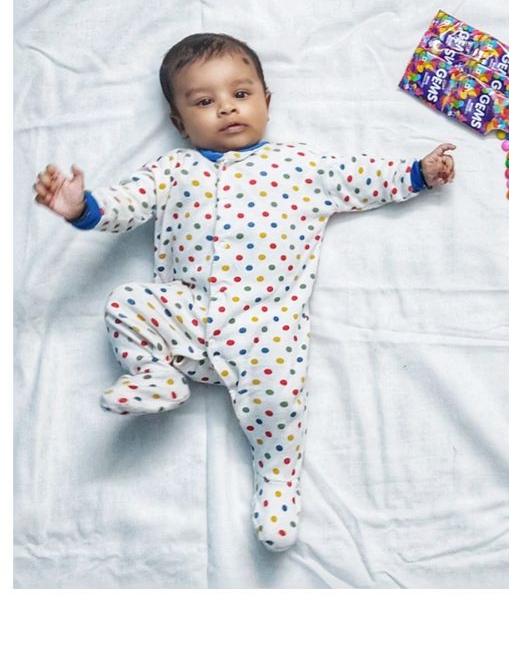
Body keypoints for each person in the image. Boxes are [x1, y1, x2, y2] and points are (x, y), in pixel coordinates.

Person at [33, 32, 456, 552]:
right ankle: (154, 374)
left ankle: (278, 479)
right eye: (204, 102)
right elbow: (126, 204)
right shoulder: (173, 169)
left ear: (267, 101)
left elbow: (360, 177)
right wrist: (82, 208)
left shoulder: (300, 165)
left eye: (241, 93)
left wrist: (419, 172)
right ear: (178, 123)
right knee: (126, 302)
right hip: (187, 314)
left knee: (280, 402)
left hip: (265, 326)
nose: (227, 108)